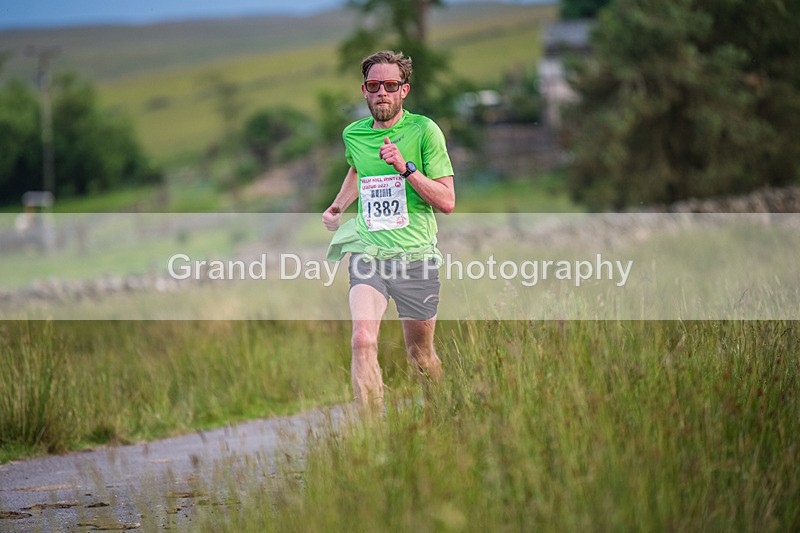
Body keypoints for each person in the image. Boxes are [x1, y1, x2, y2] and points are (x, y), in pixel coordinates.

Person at [322, 50, 455, 410]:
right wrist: (338, 206)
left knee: (420, 358)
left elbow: (447, 201)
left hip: (416, 259)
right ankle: (373, 439)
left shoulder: (424, 130)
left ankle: (445, 416)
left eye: (390, 85)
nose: (382, 91)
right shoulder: (354, 134)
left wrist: (405, 167)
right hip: (370, 255)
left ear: (404, 90)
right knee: (363, 340)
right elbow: (358, 170)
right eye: (374, 84)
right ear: (364, 90)